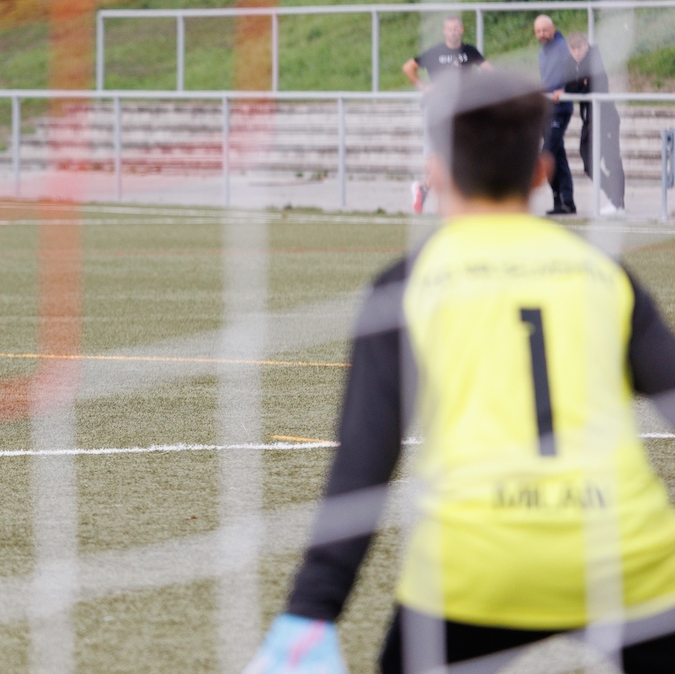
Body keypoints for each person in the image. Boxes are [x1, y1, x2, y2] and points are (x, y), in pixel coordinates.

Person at [246, 70, 675, 674]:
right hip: (628, 558)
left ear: (436, 172)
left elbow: (364, 462)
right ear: (542, 173)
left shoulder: (407, 284)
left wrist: (311, 611)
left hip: (473, 567)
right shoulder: (605, 273)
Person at [402, 15, 490, 214]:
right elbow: (408, 67)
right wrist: (424, 87)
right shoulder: (436, 52)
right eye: (450, 29)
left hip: (459, 109)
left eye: (456, 28)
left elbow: (489, 70)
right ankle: (437, 198)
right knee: (437, 155)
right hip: (437, 108)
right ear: (444, 31)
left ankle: (426, 190)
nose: (453, 32)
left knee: (454, 155)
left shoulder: (469, 51)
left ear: (462, 30)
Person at [565, 32, 625, 214]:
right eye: (573, 49)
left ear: (586, 46)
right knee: (588, 160)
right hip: (589, 119)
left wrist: (581, 85)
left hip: (605, 117)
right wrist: (580, 84)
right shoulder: (573, 64)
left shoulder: (594, 60)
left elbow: (594, 86)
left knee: (611, 159)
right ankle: (614, 196)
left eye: (579, 48)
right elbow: (570, 87)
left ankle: (618, 203)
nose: (576, 52)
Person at [535, 14, 576, 214]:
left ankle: (564, 199)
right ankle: (563, 201)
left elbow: (575, 70)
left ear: (553, 29)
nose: (542, 34)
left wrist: (565, 88)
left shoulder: (562, 48)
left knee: (548, 153)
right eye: (538, 31)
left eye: (545, 30)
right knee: (558, 155)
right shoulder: (544, 51)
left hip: (560, 109)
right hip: (547, 108)